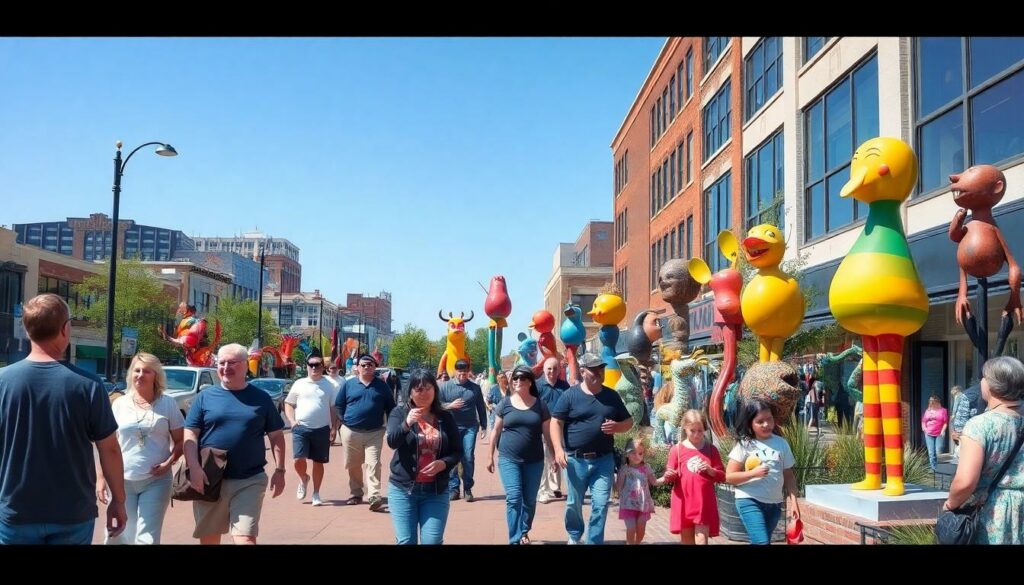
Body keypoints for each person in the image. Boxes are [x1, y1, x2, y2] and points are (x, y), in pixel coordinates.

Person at [0, 293, 125, 544]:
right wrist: (119, 501)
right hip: (72, 513)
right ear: (65, 329)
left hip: (16, 510)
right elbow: (109, 449)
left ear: (26, 330)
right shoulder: (88, 385)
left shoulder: (3, 382)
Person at [184, 343, 287, 544]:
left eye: (232, 363)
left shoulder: (261, 398)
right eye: (221, 363)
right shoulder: (204, 397)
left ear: (245, 365)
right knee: (209, 540)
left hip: (249, 479)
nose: (225, 367)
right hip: (210, 478)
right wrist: (194, 468)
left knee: (245, 538)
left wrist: (280, 470)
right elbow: (190, 435)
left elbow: (276, 436)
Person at [98, 352, 183, 544]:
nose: (140, 375)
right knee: (119, 534)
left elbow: (180, 441)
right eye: (137, 370)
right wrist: (101, 478)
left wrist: (169, 463)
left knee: (147, 537)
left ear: (156, 375)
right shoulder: (119, 404)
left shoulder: (168, 403)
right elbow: (108, 445)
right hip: (121, 480)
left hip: (156, 481)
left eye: (146, 371)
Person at [551, 352, 633, 545]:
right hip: (575, 460)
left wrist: (617, 427)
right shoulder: (570, 395)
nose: (599, 373)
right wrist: (558, 450)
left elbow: (628, 422)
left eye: (601, 369)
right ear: (582, 372)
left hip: (603, 460)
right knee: (574, 503)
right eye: (593, 369)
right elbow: (556, 422)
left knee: (601, 504)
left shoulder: (611, 396)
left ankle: (594, 541)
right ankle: (574, 534)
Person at [943, 356, 1024, 544]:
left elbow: (965, 482)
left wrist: (950, 504)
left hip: (993, 512)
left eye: (984, 377)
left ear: (992, 386)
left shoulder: (980, 425)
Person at [385, 370, 462, 544]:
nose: (424, 393)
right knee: (406, 541)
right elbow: (392, 442)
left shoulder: (445, 417)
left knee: (432, 541)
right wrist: (406, 424)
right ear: (410, 392)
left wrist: (444, 463)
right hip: (403, 489)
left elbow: (457, 451)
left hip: (435, 491)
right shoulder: (399, 413)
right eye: (418, 389)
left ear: (435, 390)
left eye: (428, 388)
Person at [486, 365, 556, 545]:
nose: (517, 381)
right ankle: (515, 539)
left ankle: (524, 530)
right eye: (515, 378)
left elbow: (548, 434)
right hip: (508, 459)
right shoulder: (505, 404)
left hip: (534, 460)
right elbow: (495, 430)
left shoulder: (540, 405)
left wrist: (553, 457)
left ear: (530, 382)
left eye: (522, 378)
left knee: (530, 500)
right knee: (514, 497)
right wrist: (490, 455)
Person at [725, 399, 800, 545]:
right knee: (762, 542)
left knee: (761, 541)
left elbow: (789, 476)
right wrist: (753, 474)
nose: (766, 424)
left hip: (774, 504)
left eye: (769, 419)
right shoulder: (745, 444)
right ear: (750, 424)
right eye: (760, 421)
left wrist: (794, 502)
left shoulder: (781, 443)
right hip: (749, 500)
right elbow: (729, 476)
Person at [335, 353, 396, 511]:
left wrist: (392, 426)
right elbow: (339, 404)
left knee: (373, 463)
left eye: (370, 365)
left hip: (374, 432)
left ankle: (374, 495)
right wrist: (343, 421)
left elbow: (391, 407)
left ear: (375, 367)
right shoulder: (349, 384)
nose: (367, 367)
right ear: (357, 368)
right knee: (353, 464)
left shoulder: (382, 386)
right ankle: (356, 493)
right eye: (363, 365)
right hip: (350, 431)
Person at [283, 352, 338, 507]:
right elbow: (289, 403)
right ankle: (303, 478)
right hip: (301, 428)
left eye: (317, 365)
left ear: (323, 367)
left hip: (322, 429)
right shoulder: (299, 383)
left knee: (318, 462)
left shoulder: (329, 385)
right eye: (311, 365)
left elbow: (333, 408)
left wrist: (334, 428)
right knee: (298, 459)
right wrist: (292, 421)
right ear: (307, 367)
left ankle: (316, 493)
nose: (314, 368)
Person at [665, 409, 724, 545]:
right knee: (687, 541)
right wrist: (670, 474)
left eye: (700, 430)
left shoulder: (711, 449)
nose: (697, 434)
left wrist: (711, 470)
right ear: (685, 428)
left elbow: (722, 476)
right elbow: (670, 472)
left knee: (701, 539)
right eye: (692, 430)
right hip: (684, 501)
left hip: (703, 501)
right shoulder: (677, 449)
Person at [440, 359, 487, 502]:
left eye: (465, 372)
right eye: (460, 371)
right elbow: (437, 405)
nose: (462, 374)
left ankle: (468, 487)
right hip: (451, 427)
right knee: (452, 457)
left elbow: (481, 407)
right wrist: (450, 405)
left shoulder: (474, 388)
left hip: (469, 427)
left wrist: (484, 426)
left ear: (468, 372)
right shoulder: (445, 387)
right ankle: (454, 488)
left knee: (468, 456)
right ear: (455, 371)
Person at [615, 437, 669, 544]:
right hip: (628, 504)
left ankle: (637, 543)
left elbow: (654, 482)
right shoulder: (624, 469)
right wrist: (615, 482)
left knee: (641, 531)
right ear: (627, 454)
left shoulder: (646, 467)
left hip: (643, 505)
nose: (637, 456)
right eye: (633, 453)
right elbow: (619, 487)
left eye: (640, 453)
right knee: (631, 529)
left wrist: (665, 477)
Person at [536, 357, 569, 504]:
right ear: (544, 369)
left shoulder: (564, 386)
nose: (552, 371)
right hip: (543, 427)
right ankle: (543, 490)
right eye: (549, 368)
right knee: (545, 458)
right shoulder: (538, 386)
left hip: (560, 427)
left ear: (559, 370)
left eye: (555, 369)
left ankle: (555, 486)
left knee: (558, 455)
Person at [921, 395, 949, 471]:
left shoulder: (943, 411)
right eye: (930, 401)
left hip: (939, 434)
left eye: (932, 401)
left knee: (938, 451)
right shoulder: (927, 411)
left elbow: (945, 422)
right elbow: (923, 421)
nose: (931, 402)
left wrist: (943, 431)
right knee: (931, 452)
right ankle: (933, 469)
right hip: (928, 434)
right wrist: (924, 429)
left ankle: (939, 468)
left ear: (937, 402)